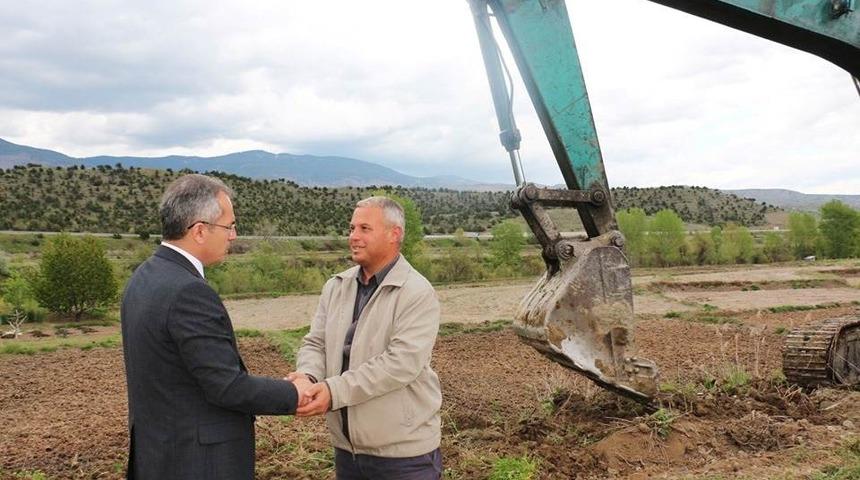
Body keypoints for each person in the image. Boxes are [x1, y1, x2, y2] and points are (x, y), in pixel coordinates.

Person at [121, 174, 310, 480]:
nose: (233, 235)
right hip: (197, 463)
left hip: (158, 456)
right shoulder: (188, 291)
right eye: (229, 226)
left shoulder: (143, 277)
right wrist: (294, 393)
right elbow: (226, 386)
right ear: (199, 230)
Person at [289, 196, 443, 480]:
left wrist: (333, 392)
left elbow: (401, 363)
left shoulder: (416, 292)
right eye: (351, 228)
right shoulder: (336, 286)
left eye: (364, 229)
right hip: (348, 451)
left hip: (403, 456)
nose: (353, 237)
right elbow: (316, 343)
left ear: (394, 234)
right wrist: (307, 377)